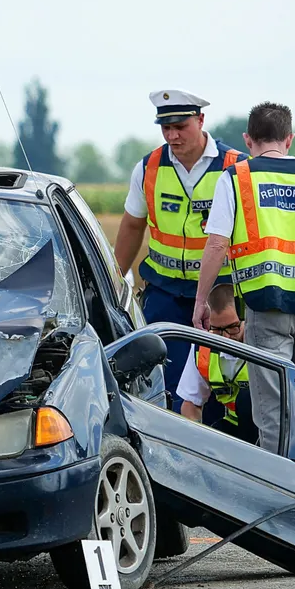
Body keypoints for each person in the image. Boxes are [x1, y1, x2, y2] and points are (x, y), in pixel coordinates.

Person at [193, 101, 295, 470]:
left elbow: (217, 244)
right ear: (289, 138)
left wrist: (202, 300)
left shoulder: (237, 177)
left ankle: (280, 501)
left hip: (266, 308)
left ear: (248, 139)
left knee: (273, 410)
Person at [113, 89, 245, 412]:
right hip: (165, 295)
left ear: (200, 120)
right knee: (167, 388)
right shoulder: (149, 168)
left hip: (221, 296)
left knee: (220, 384)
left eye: (180, 126)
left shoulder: (236, 167)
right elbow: (132, 225)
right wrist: (114, 279)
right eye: (165, 127)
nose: (172, 135)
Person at [178, 283, 259, 444]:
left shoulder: (261, 341)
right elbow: (190, 405)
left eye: (233, 327)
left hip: (265, 428)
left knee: (247, 398)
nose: (226, 338)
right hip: (233, 426)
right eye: (218, 330)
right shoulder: (203, 348)